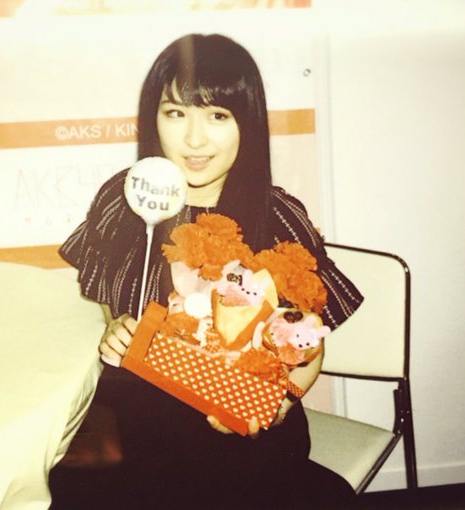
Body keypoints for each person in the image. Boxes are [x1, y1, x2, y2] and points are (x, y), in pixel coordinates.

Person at [59, 33, 364, 509]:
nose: (194, 139)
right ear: (154, 118)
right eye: (175, 113)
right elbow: (107, 290)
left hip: (236, 426)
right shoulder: (126, 199)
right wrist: (116, 326)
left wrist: (278, 405)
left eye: (217, 116)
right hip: (138, 424)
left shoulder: (278, 217)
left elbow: (308, 342)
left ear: (247, 123)